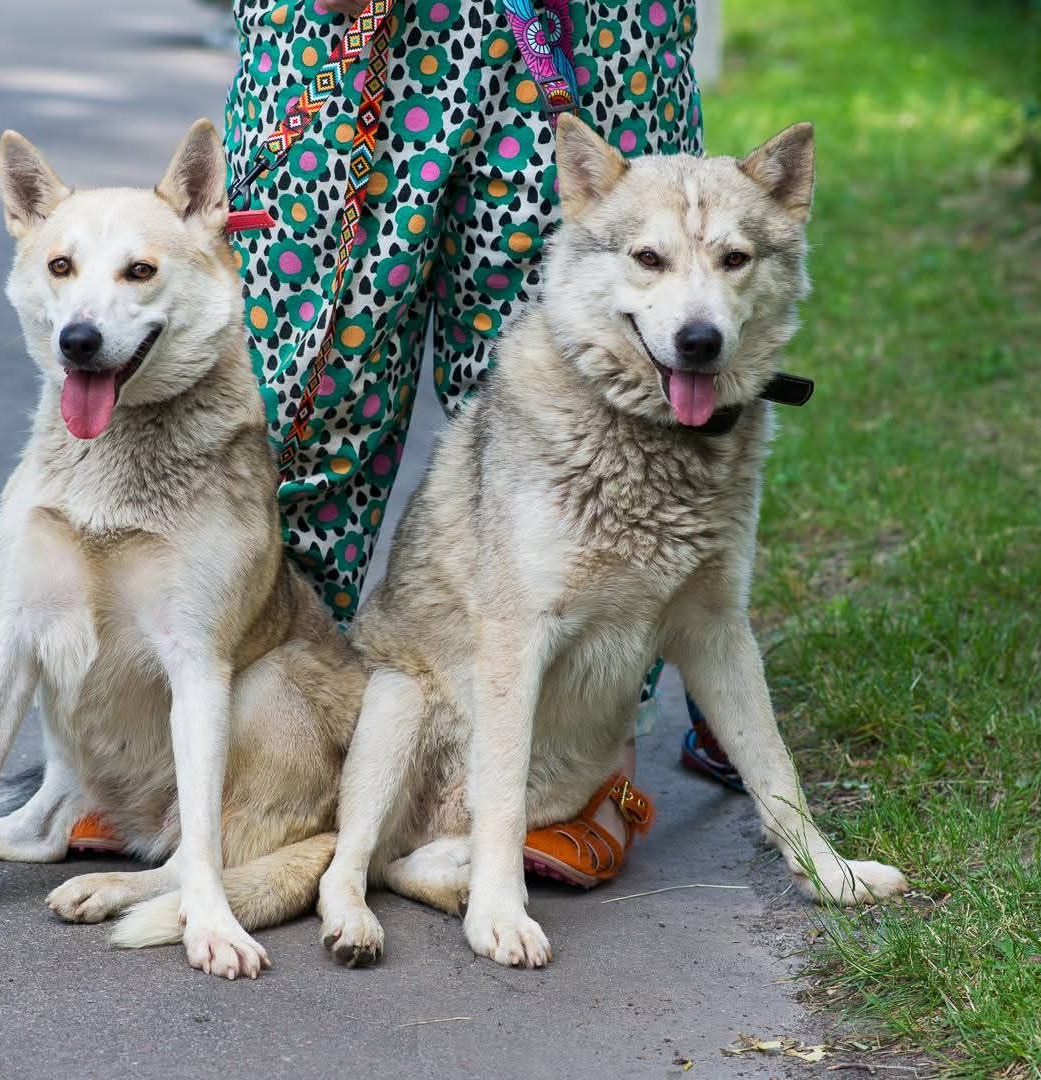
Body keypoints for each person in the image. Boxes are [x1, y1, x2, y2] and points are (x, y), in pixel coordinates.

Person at [223, 0, 708, 886]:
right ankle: (241, 750)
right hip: (347, 37)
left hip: (583, 32)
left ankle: (585, 774)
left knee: (585, 411)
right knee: (302, 404)